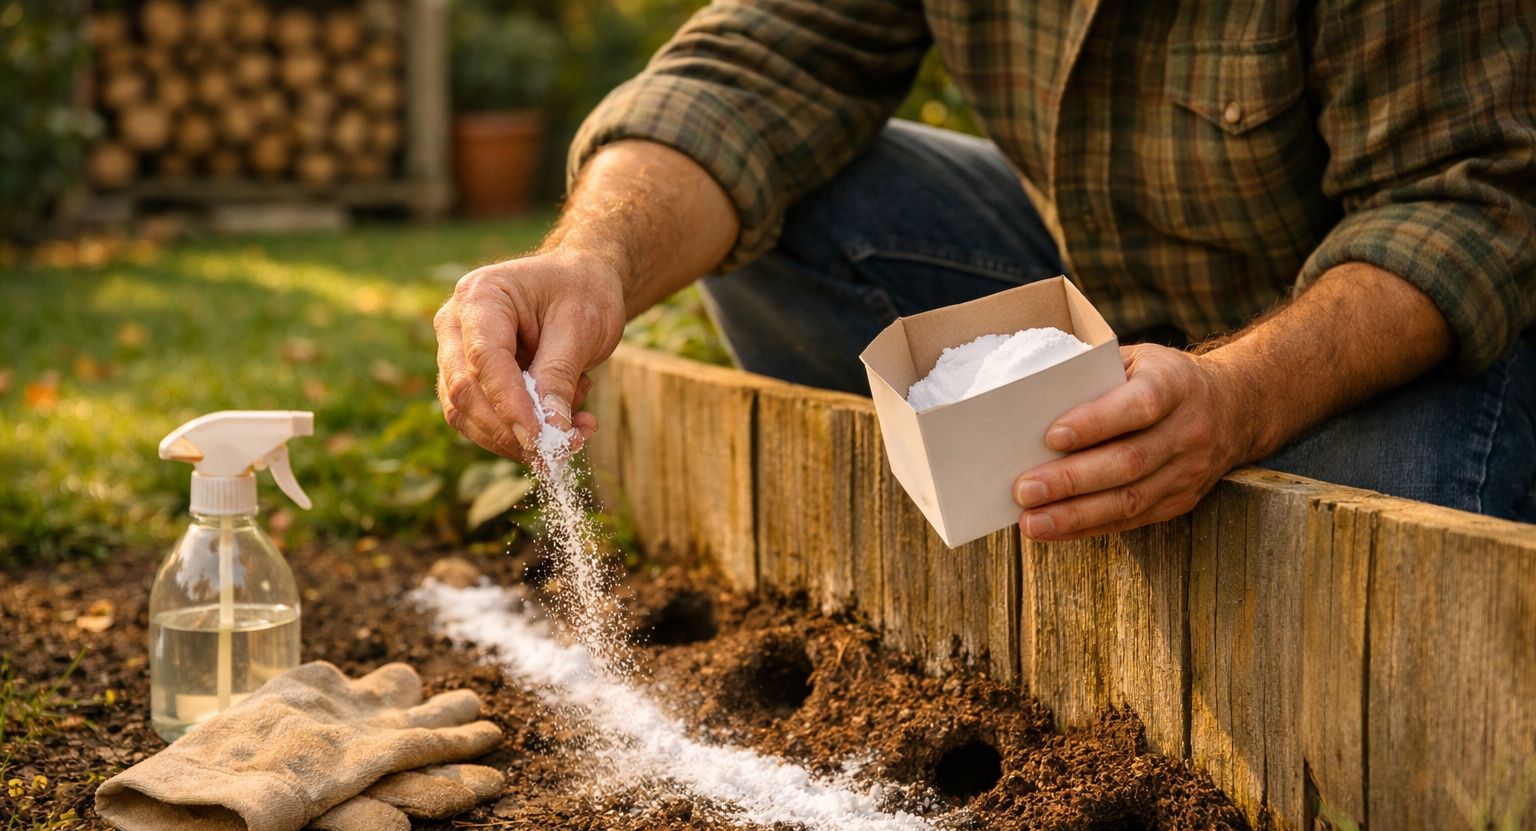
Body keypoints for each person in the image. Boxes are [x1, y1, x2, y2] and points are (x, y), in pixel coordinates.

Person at [433, 1, 1536, 541]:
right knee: (780, 204)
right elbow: (755, 69)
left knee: (1370, 530)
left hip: (1368, 343)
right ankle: (1047, 518)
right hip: (1104, 292)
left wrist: (1238, 402)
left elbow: (1467, 203)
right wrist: (589, 260)